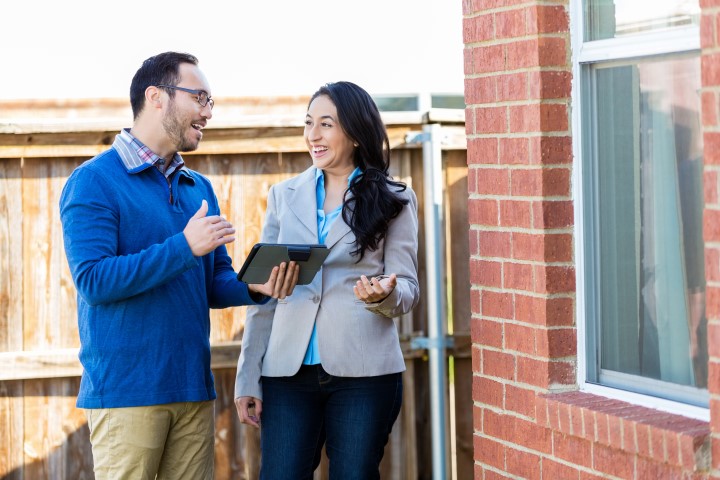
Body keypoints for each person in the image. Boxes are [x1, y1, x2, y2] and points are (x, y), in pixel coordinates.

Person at [59, 51, 298, 480]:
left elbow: (214, 282)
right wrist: (184, 247)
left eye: (211, 102)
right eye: (200, 98)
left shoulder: (197, 186)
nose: (208, 112)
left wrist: (255, 286)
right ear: (156, 96)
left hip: (192, 388)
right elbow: (93, 280)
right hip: (127, 394)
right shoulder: (94, 181)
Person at [234, 81, 420, 479]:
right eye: (308, 123)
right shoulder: (284, 195)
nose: (312, 136)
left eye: (325, 124)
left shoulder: (394, 198)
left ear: (353, 133)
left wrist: (383, 295)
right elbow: (265, 296)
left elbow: (407, 288)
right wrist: (248, 375)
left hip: (364, 373)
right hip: (287, 373)